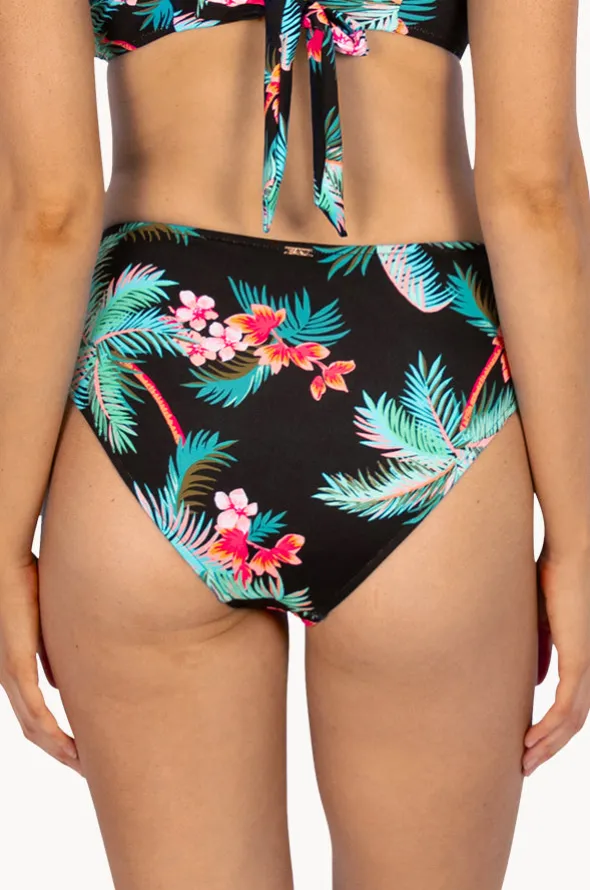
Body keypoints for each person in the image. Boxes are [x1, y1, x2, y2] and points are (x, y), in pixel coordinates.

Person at [1, 0, 589, 887]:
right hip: (421, 374)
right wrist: (579, 540)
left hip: (157, 372)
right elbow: (536, 193)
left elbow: (47, 213)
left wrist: (5, 536)